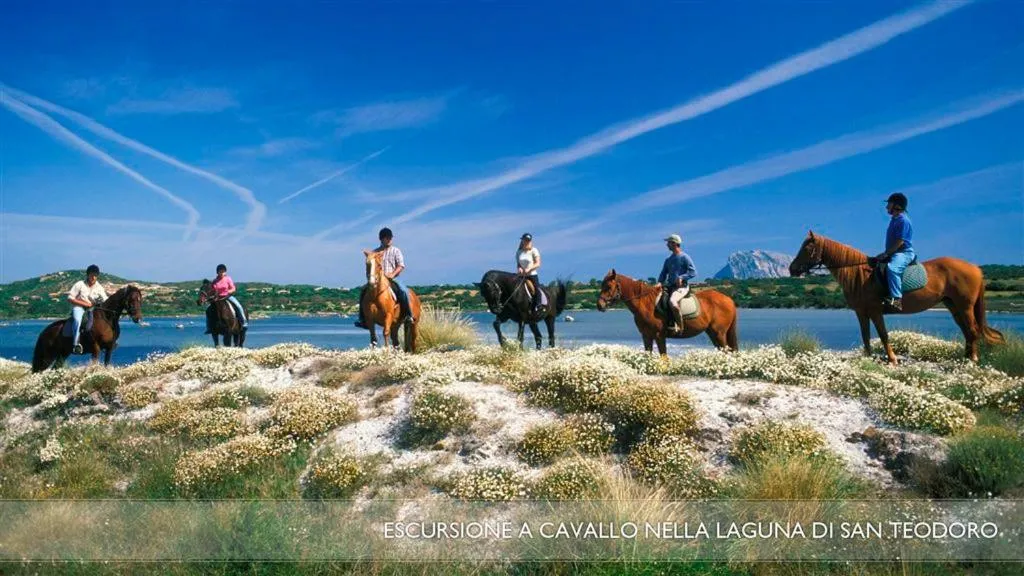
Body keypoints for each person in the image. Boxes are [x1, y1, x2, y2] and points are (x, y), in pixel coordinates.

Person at [355, 227, 414, 328]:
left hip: (392, 278)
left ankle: (408, 315)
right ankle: (363, 319)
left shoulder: (396, 251)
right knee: (363, 291)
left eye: (391, 237)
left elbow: (401, 266)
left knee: (404, 291)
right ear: (381, 239)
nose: (390, 239)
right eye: (388, 238)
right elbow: (370, 267)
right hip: (378, 280)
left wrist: (392, 274)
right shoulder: (374, 253)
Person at [875, 192, 914, 312]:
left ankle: (897, 300)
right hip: (894, 252)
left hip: (904, 253)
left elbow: (900, 242)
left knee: (893, 268)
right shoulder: (894, 220)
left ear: (897, 206)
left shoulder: (904, 221)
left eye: (889, 204)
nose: (887, 207)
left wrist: (886, 254)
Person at [657, 234, 697, 330]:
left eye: (668, 243)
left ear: (674, 244)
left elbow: (693, 272)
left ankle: (680, 326)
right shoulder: (668, 260)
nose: (667, 245)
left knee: (672, 301)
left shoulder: (685, 257)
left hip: (681, 287)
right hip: (669, 287)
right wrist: (659, 282)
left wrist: (682, 277)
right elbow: (663, 274)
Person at [67, 264, 108, 354]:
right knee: (77, 320)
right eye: (92, 275)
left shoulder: (99, 288)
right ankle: (76, 344)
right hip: (79, 308)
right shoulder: (80, 284)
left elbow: (105, 300)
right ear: (87, 275)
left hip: (93, 309)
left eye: (95, 275)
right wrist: (85, 303)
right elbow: (70, 298)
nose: (93, 277)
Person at [210, 264, 248, 329]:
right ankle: (209, 326)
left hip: (227, 297)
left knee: (238, 306)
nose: (222, 273)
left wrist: (228, 292)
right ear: (217, 272)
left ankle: (244, 322)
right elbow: (212, 290)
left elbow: (233, 288)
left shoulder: (228, 279)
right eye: (220, 271)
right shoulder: (215, 281)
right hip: (218, 298)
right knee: (209, 309)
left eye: (223, 271)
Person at [516, 233, 544, 311]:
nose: (526, 242)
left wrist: (529, 269)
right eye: (525, 240)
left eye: (528, 240)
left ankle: (539, 305)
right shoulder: (519, 252)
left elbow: (538, 263)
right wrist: (519, 268)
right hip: (521, 275)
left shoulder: (534, 250)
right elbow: (518, 263)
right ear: (522, 240)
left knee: (536, 288)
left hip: (532, 274)